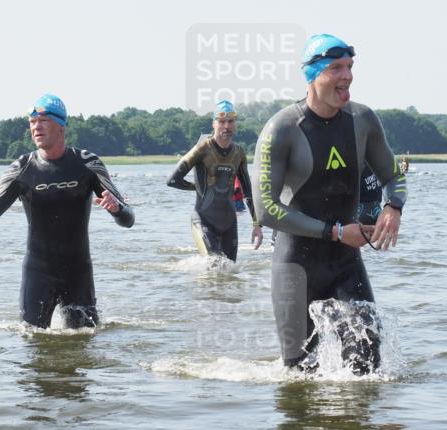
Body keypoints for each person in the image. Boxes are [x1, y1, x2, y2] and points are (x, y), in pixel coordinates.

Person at [253, 34, 407, 373]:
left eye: (350, 67)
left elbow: (393, 175)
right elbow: (265, 208)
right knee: (299, 375)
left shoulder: (364, 120)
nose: (347, 76)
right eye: (336, 68)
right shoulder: (282, 128)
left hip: (345, 263)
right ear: (312, 74)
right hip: (295, 265)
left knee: (368, 361)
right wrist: (335, 232)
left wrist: (392, 206)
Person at [0, 92, 134, 328]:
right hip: (38, 273)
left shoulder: (87, 164)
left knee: (84, 347)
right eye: (32, 122)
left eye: (43, 121)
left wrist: (116, 210)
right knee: (33, 343)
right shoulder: (22, 169)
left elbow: (128, 219)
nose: (36, 127)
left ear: (62, 125)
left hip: (78, 273)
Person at [167, 100, 263, 261]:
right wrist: (197, 187)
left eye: (231, 121)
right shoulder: (202, 149)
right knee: (216, 264)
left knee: (230, 272)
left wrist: (257, 225)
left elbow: (248, 192)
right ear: (214, 124)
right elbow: (173, 180)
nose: (226, 126)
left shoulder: (239, 153)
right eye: (221, 121)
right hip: (203, 220)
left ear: (235, 124)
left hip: (229, 224)